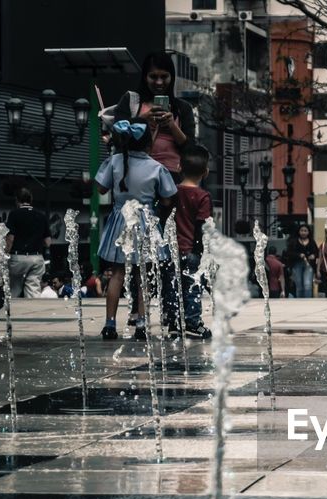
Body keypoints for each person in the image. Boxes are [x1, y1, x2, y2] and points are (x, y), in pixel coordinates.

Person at [95, 119, 176, 341]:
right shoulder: (156, 167)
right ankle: (141, 323)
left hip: (120, 219)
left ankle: (110, 324)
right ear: (149, 146)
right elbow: (168, 199)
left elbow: (101, 187)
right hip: (146, 220)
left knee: (117, 274)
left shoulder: (114, 161)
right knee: (143, 276)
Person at [110, 52, 196, 182]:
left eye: (164, 76)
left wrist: (172, 126)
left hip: (171, 176)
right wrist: (142, 120)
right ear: (145, 77)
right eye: (153, 77)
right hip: (135, 174)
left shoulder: (183, 108)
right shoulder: (131, 101)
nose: (159, 82)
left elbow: (190, 150)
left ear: (172, 77)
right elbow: (117, 136)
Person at [162, 143, 212, 339]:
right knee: (192, 287)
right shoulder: (202, 196)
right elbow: (201, 226)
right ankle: (192, 322)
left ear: (179, 167)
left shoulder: (172, 192)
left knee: (172, 286)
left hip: (170, 250)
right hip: (191, 250)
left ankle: (174, 323)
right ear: (206, 172)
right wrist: (200, 252)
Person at [4, 187, 49, 298]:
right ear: (31, 199)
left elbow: (10, 239)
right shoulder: (41, 216)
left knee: (14, 289)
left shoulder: (14, 214)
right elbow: (48, 242)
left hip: (18, 257)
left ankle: (11, 312)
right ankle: (33, 312)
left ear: (17, 200)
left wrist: (5, 254)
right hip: (36, 257)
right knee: (33, 290)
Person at [282, 224, 318, 298]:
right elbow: (289, 253)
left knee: (307, 284)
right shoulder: (294, 241)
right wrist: (298, 255)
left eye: (305, 231)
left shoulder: (311, 241)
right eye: (302, 230)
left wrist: (313, 256)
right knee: (299, 285)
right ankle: (300, 302)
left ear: (308, 232)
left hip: (308, 265)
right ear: (299, 231)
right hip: (296, 265)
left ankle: (308, 303)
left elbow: (316, 252)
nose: (303, 232)